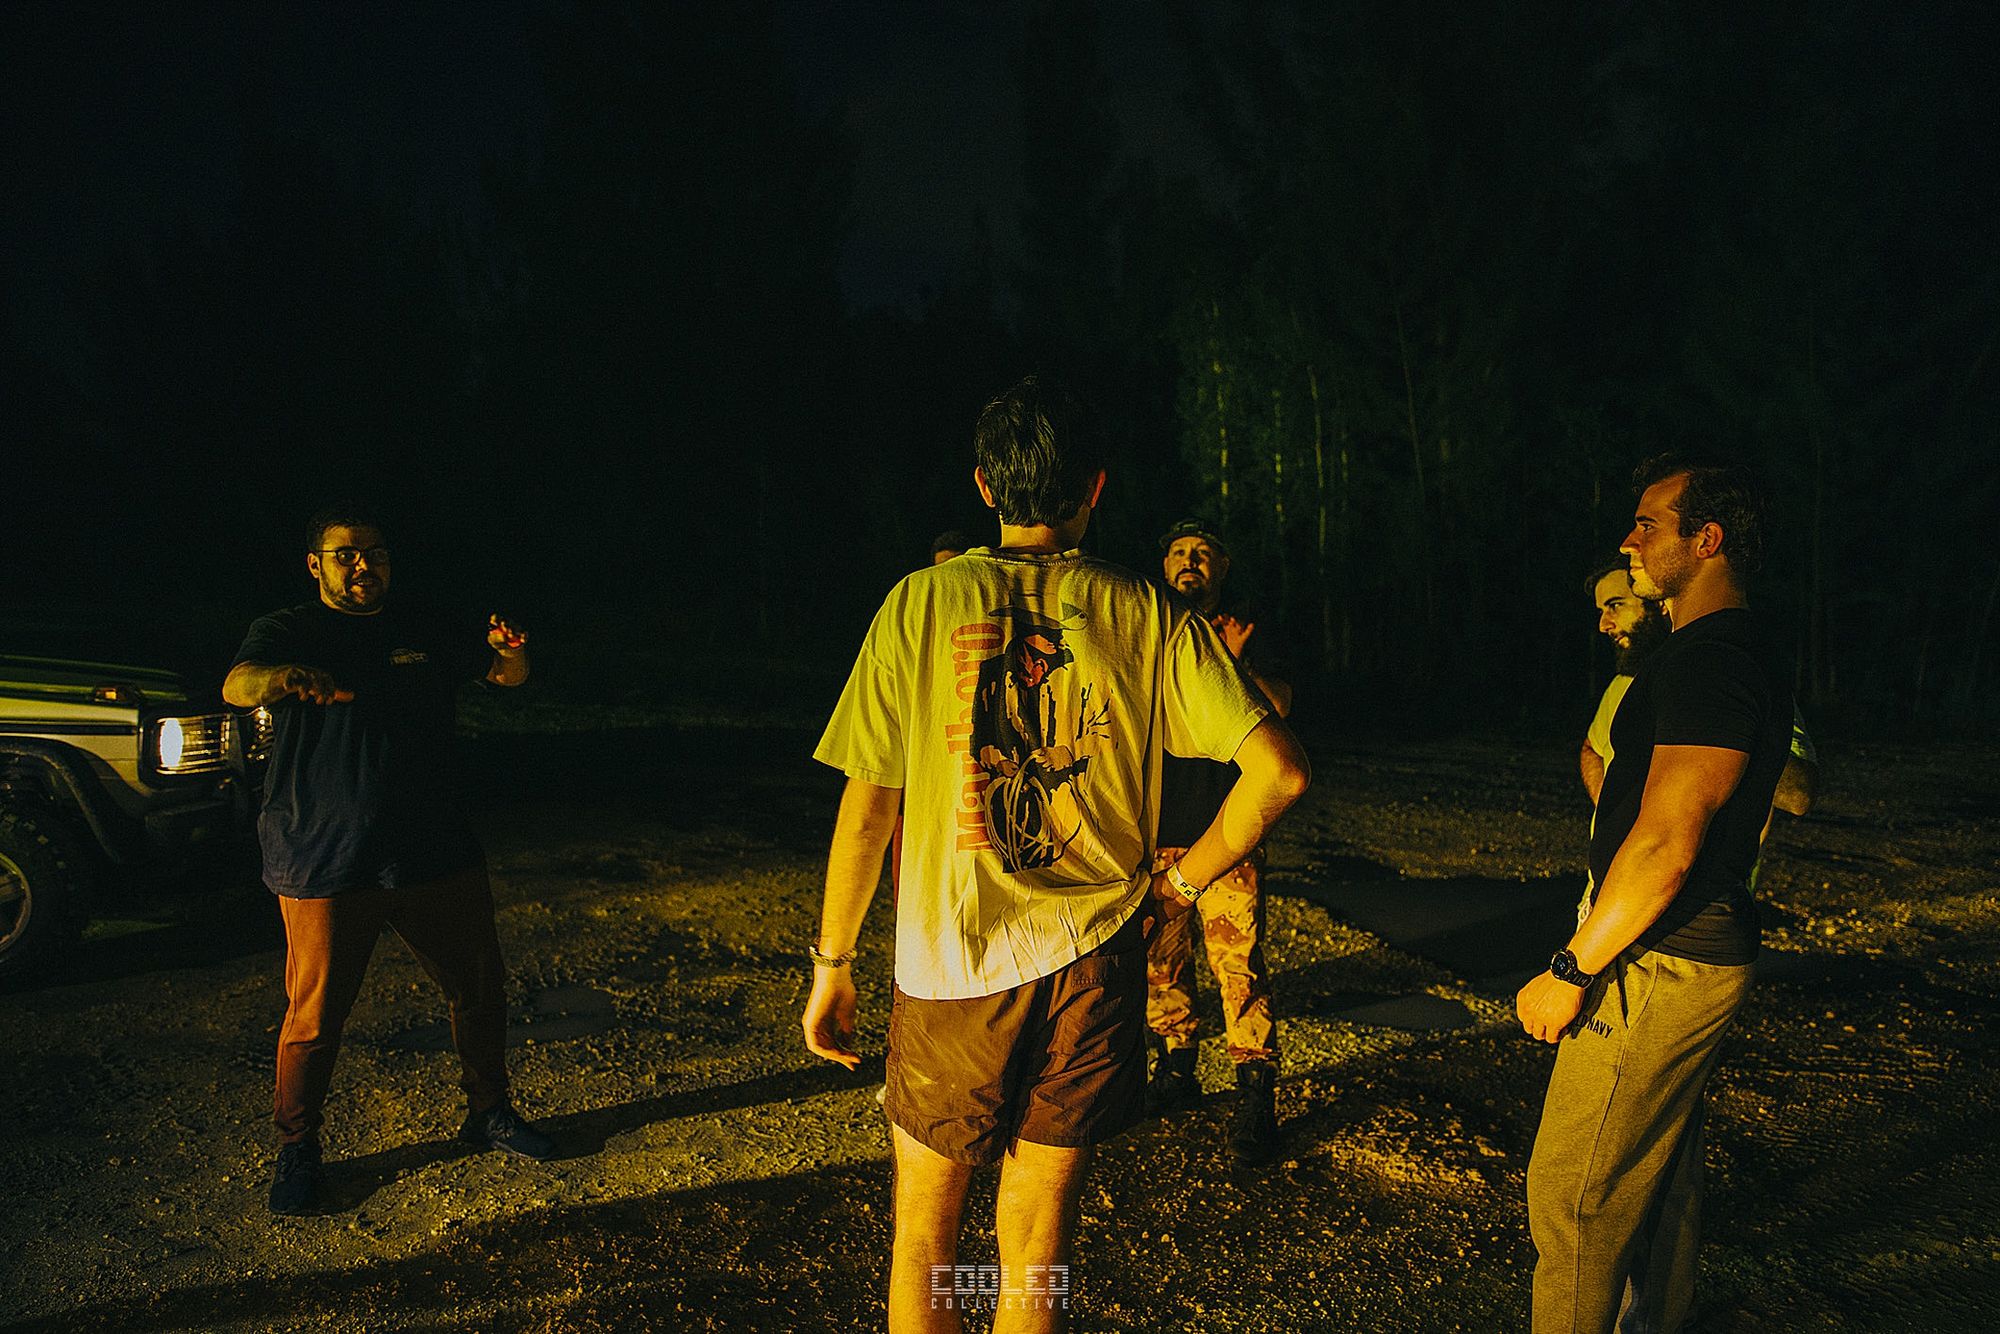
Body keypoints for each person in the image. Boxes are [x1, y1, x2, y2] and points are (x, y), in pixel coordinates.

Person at [803, 379, 1311, 1332]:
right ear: (1096, 488)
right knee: (1037, 1241)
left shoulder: (920, 603)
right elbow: (1279, 772)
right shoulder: (1146, 609)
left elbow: (868, 806)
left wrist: (833, 963)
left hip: (952, 966)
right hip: (1093, 966)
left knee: (927, 1239)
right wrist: (1180, 883)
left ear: (985, 485)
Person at [1520, 456, 1796, 1332]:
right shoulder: (1713, 650)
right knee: (1658, 1164)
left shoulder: (1715, 659)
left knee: (1574, 1201)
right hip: (1677, 946)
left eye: (1648, 523)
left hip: (1661, 957)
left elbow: (1667, 843)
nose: (1629, 540)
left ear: (1706, 539)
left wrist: (1572, 967)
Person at [224, 508, 555, 1217]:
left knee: (479, 988)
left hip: (435, 847)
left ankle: (489, 1112)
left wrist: (511, 652)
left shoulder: (424, 626)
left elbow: (505, 676)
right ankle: (298, 1148)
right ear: (315, 565)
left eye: (373, 553)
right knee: (315, 1017)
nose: (362, 566)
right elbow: (238, 684)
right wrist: (281, 677)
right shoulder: (289, 629)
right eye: (345, 555)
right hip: (326, 852)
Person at [1145, 519, 1294, 1164]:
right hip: (1155, 833)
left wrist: (1231, 664)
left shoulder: (1247, 632)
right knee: (1161, 963)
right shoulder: (1149, 631)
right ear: (1164, 565)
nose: (1190, 562)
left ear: (1222, 567)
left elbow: (1279, 706)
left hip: (1227, 833)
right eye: (1179, 552)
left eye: (1203, 554)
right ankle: (1176, 1070)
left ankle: (1255, 1095)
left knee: (1238, 966)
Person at [1578, 559, 1820, 925]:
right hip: (1607, 899)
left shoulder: (1732, 673)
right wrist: (1619, 811)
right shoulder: (1625, 682)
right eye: (1600, 611)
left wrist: (1721, 732)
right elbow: (1591, 749)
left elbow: (1799, 795)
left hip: (1697, 912)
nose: (1603, 624)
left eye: (1616, 605)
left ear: (1659, 603)